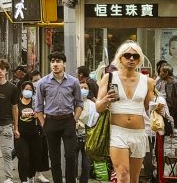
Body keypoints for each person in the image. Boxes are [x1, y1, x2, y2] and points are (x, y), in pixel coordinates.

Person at [96, 41, 166, 183]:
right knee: (122, 174)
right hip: (117, 132)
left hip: (139, 133)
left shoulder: (148, 81)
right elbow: (98, 107)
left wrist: (158, 107)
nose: (131, 59)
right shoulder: (109, 77)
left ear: (139, 59)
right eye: (127, 55)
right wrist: (106, 100)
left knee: (133, 179)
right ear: (120, 58)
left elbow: (149, 107)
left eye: (135, 56)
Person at [34, 51, 83, 183]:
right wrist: (44, 124)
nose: (55, 64)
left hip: (68, 121)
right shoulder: (42, 83)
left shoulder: (74, 82)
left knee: (70, 155)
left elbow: (79, 103)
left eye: (58, 61)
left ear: (64, 64)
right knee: (54, 158)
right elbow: (38, 107)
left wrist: (75, 119)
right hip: (50, 121)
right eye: (53, 61)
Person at [13, 81, 44, 183]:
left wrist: (37, 115)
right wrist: (15, 129)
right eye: (26, 89)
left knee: (36, 156)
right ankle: (24, 180)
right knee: (23, 157)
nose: (28, 91)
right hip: (21, 134)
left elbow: (44, 116)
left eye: (30, 90)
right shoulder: (16, 103)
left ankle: (31, 175)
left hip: (35, 134)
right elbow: (12, 117)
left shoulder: (36, 103)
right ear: (22, 91)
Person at [75, 81, 95, 183]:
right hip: (73, 135)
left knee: (86, 162)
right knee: (72, 160)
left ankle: (84, 181)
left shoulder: (92, 104)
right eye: (81, 87)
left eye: (85, 88)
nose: (83, 90)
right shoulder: (72, 102)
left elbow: (95, 119)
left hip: (87, 135)